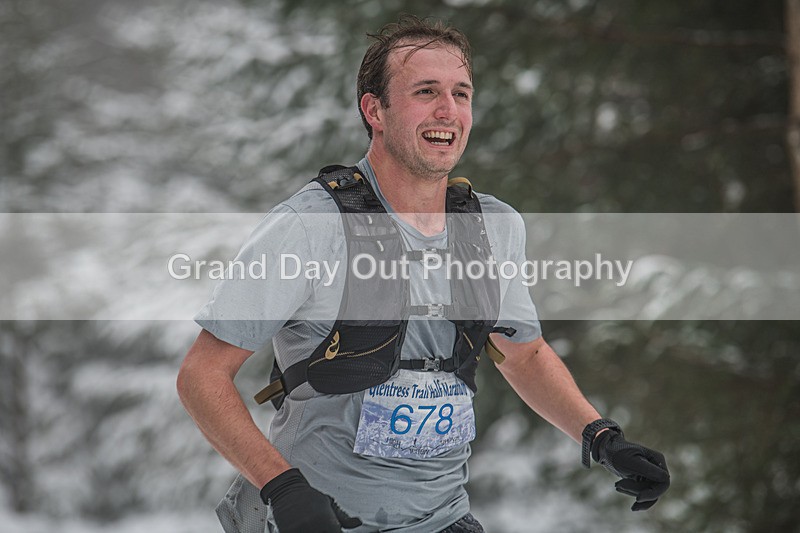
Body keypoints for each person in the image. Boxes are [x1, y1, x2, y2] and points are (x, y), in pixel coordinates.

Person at [177, 15, 670, 533]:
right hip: (315, 521)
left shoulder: (493, 227)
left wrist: (600, 436)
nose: (448, 110)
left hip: (444, 519)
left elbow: (522, 355)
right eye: (426, 91)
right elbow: (202, 376)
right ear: (375, 110)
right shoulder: (310, 226)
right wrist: (282, 488)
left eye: (462, 93)